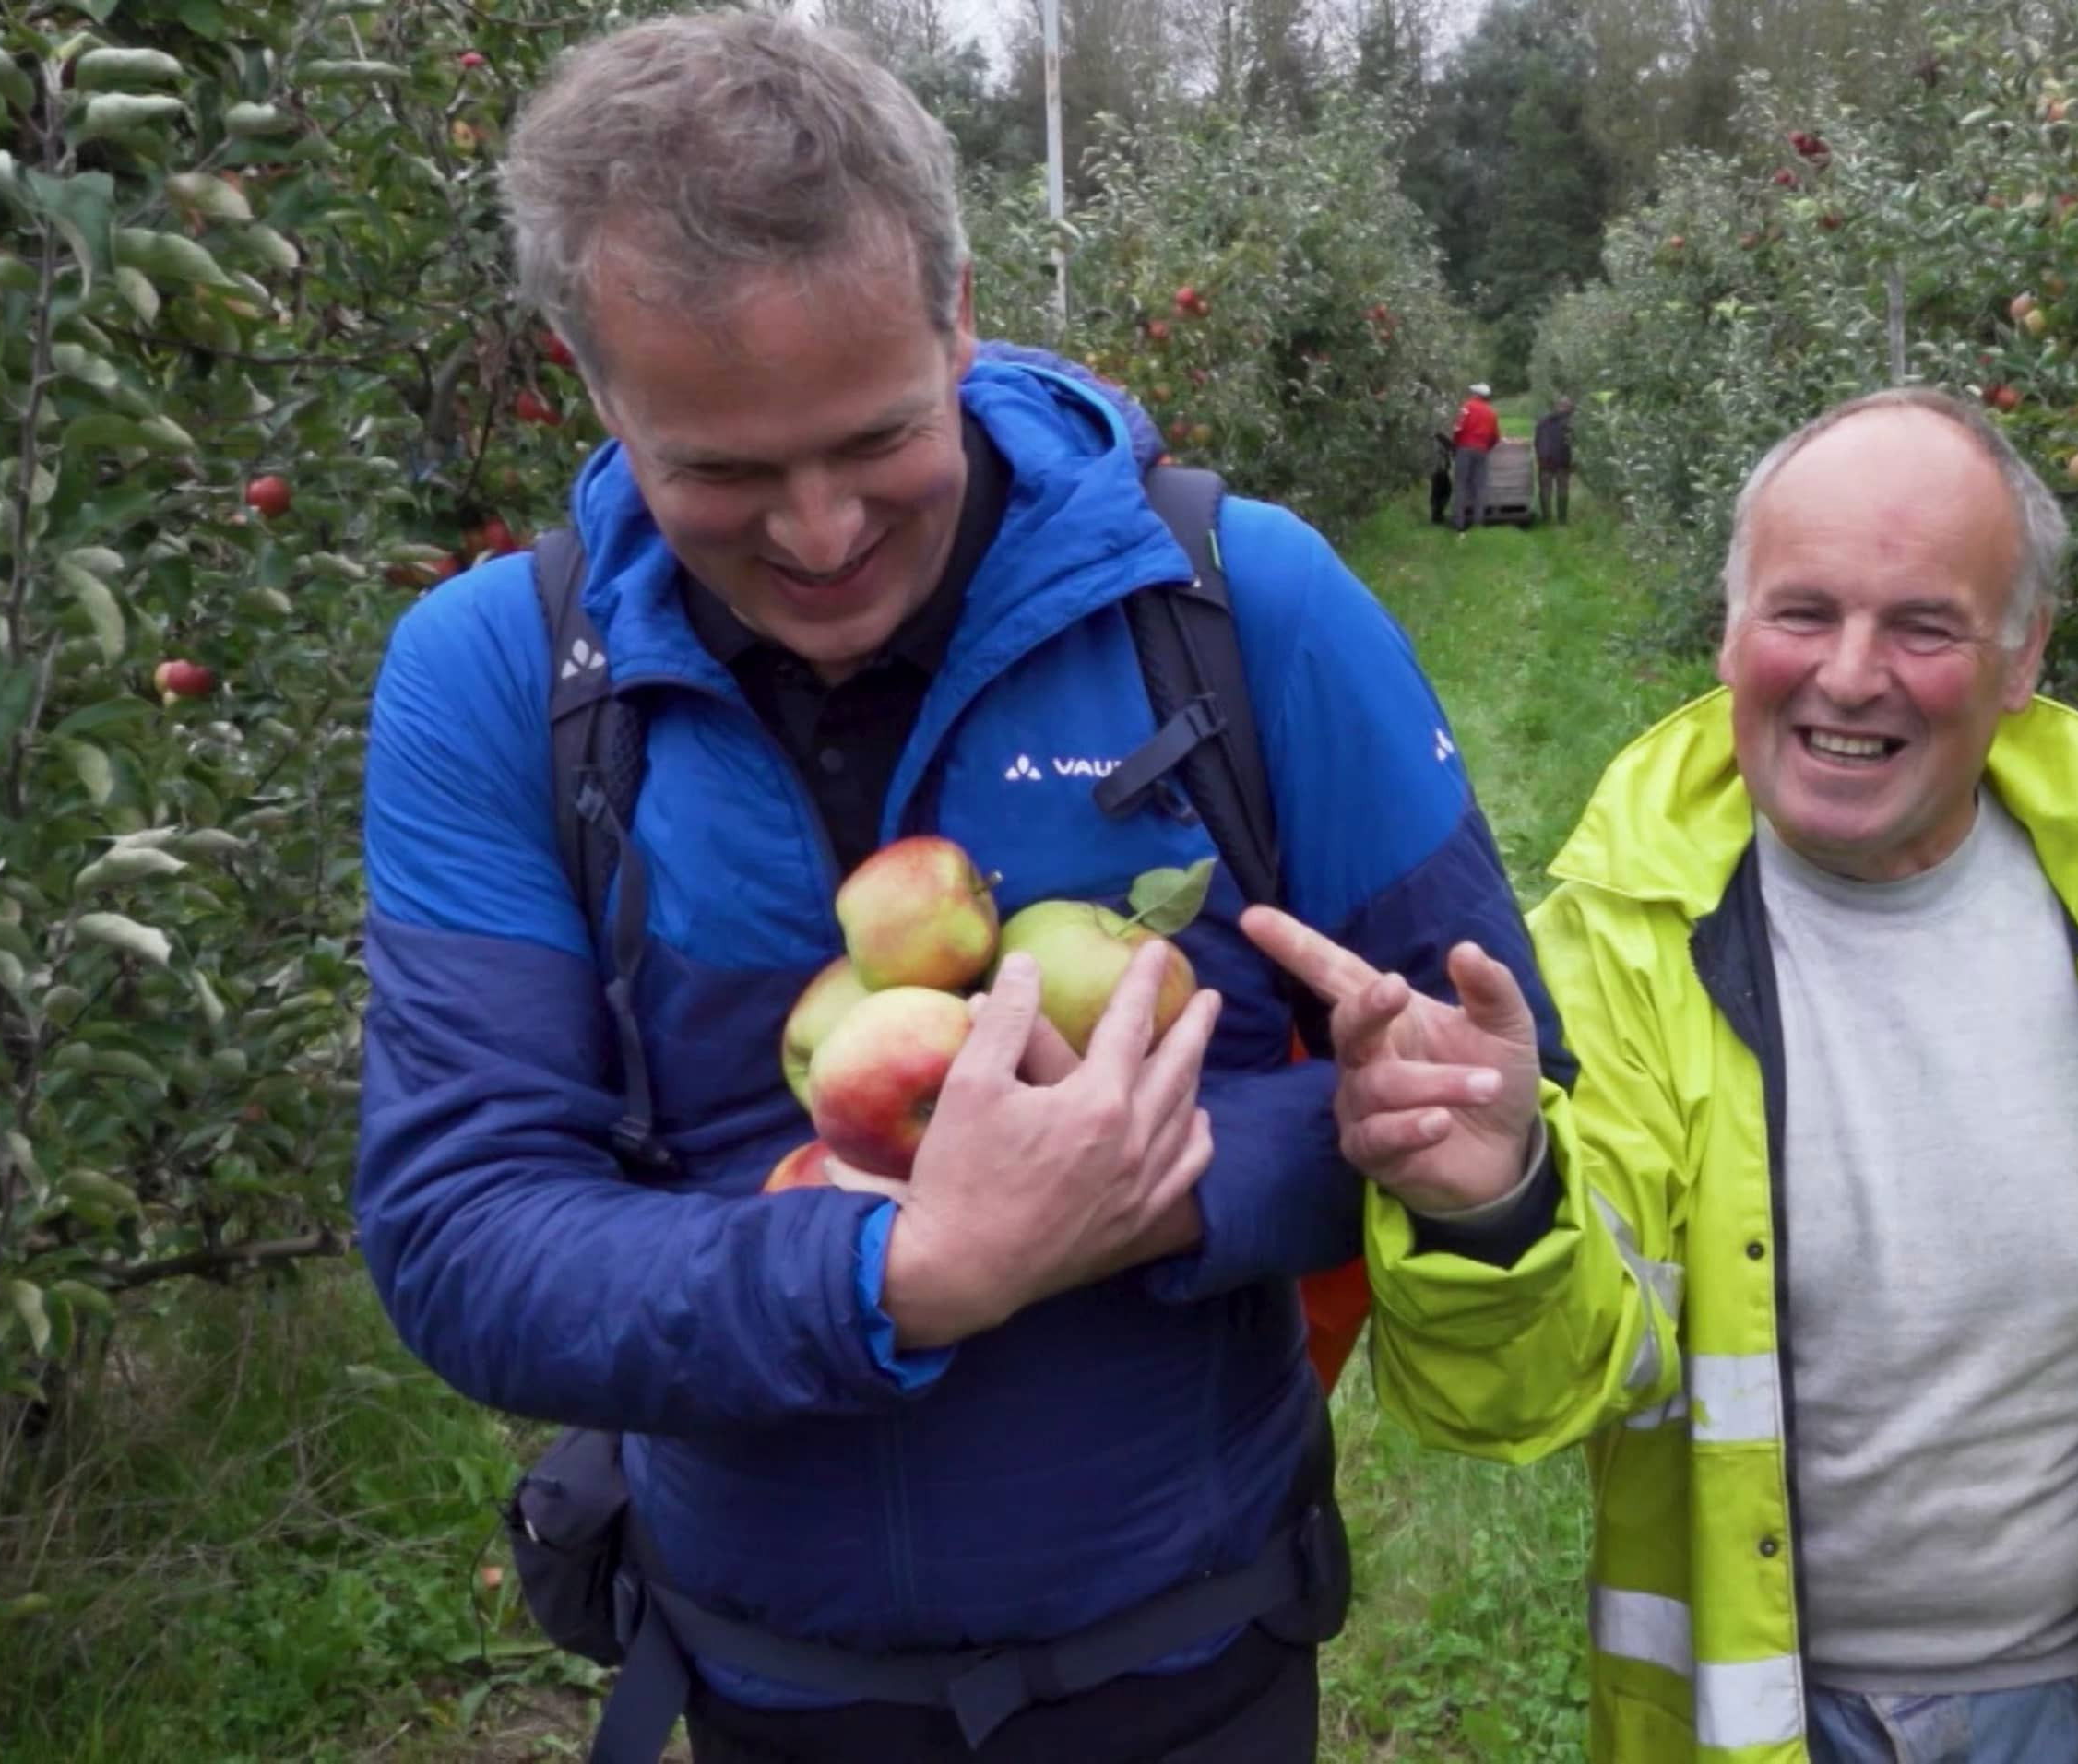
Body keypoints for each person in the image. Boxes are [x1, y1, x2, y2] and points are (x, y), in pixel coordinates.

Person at [350, 14, 1561, 1762]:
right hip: (767, 1681)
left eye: (875, 435)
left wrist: (1171, 1180)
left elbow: (1478, 1086)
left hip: (1197, 1655)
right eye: (725, 471)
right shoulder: (496, 678)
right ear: (592, 380)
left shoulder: (1238, 604)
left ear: (959, 311)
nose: (823, 530)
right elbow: (466, 1236)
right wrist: (902, 1271)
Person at [1244, 386, 2078, 1764]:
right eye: (1803, 613)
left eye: (1924, 625)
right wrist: (1497, 1209)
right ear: (1731, 627)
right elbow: (1516, 1400)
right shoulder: (1618, 955)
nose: (1851, 673)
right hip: (1751, 1721)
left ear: (2020, 658)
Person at [1451, 383, 1500, 533]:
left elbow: (1458, 428)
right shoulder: (1492, 413)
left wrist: (1456, 444)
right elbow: (1495, 437)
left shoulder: (1467, 407)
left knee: (1461, 485)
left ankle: (1459, 523)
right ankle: (1478, 523)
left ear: (1476, 395)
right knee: (1480, 487)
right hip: (1482, 451)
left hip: (1465, 449)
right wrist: (1486, 448)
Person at [1534, 397, 1575, 525]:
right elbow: (1573, 444)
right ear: (1567, 407)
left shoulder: (1542, 421)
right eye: (1569, 407)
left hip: (1545, 461)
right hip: (1562, 462)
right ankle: (1562, 519)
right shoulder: (1569, 423)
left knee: (1545, 490)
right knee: (1562, 490)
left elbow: (1537, 441)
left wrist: (1539, 456)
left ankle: (1546, 518)